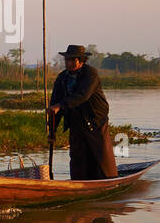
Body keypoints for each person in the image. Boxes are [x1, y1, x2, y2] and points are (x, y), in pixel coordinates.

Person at [47, 45, 117, 180]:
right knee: (78, 159)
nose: (69, 63)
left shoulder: (90, 74)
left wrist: (60, 105)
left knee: (102, 157)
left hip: (95, 120)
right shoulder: (62, 78)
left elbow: (82, 95)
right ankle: (79, 183)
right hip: (75, 121)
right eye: (67, 60)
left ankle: (110, 181)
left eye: (72, 60)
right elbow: (55, 105)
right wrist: (52, 131)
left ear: (81, 61)